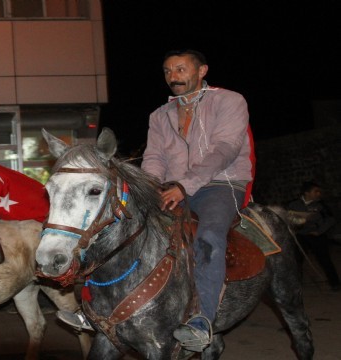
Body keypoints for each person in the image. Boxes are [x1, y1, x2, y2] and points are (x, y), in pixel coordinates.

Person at [141, 49, 254, 351]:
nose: (173, 77)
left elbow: (225, 148)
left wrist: (185, 185)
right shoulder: (159, 115)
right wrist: (148, 188)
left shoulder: (229, 101)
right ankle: (102, 305)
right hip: (174, 187)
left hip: (221, 183)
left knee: (209, 236)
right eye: (167, 71)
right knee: (129, 228)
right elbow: (153, 157)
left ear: (202, 70)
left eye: (180, 69)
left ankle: (202, 320)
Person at [287, 181, 340, 291]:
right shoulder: (293, 205)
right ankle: (296, 286)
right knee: (297, 261)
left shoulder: (321, 205)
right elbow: (287, 219)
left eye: (319, 191)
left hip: (316, 235)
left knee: (325, 260)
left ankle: (335, 283)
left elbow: (331, 219)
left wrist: (319, 231)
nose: (318, 193)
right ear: (306, 193)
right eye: (316, 191)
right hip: (301, 236)